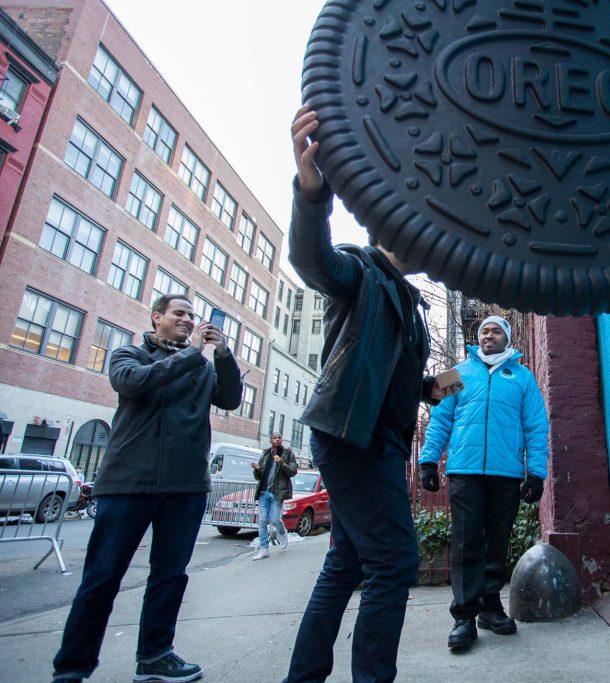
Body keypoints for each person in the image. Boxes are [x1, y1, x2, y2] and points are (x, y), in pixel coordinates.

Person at [283, 104, 462, 683]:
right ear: (390, 229)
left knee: (347, 561)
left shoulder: (410, 304)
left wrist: (432, 388)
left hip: (376, 439)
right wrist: (312, 193)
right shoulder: (360, 272)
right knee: (394, 560)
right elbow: (312, 260)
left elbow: (391, 378)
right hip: (351, 436)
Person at [52, 295, 242, 683]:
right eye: (179, 313)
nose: (188, 320)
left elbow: (231, 398)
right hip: (127, 484)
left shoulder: (203, 367)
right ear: (157, 317)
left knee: (169, 577)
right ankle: (72, 667)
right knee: (102, 577)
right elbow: (134, 384)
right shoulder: (130, 355)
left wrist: (222, 355)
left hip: (185, 486)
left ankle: (155, 657)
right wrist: (193, 354)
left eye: (192, 315)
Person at [418, 315, 549, 650]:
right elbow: (440, 420)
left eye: (496, 331)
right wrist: (428, 461)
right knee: (466, 543)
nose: (489, 335)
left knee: (497, 542)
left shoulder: (523, 378)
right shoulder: (456, 373)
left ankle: (490, 608)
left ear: (507, 338)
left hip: (506, 474)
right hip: (465, 471)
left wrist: (536, 473)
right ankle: (463, 617)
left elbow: (536, 426)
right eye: (484, 331)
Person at [250, 432, 298, 560]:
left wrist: (282, 463)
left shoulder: (287, 454)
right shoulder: (266, 454)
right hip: (264, 492)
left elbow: (293, 471)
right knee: (262, 521)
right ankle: (264, 549)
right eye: (274, 438)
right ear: (270, 440)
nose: (277, 439)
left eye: (279, 438)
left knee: (275, 519)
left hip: (277, 493)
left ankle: (282, 532)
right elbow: (259, 477)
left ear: (282, 440)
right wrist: (256, 469)